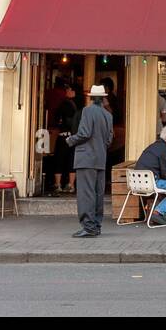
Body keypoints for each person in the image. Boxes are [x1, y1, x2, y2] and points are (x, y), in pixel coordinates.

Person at [65, 83, 113, 237]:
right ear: (103, 98)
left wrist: (71, 140)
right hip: (100, 158)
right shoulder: (108, 115)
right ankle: (96, 225)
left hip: (86, 158)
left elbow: (84, 133)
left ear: (91, 98)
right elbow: (109, 139)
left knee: (86, 194)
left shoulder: (87, 111)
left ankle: (88, 227)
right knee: (98, 193)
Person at [51, 81, 79, 195]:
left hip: (63, 135)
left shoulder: (63, 104)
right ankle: (71, 185)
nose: (66, 91)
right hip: (75, 136)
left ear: (73, 91)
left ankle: (58, 185)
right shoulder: (81, 105)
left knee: (59, 159)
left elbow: (57, 119)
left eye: (69, 89)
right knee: (72, 160)